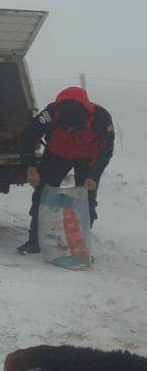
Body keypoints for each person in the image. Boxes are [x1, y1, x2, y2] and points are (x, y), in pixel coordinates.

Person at [17, 86, 115, 254]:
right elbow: (28, 136)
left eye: (74, 128)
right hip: (57, 155)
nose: (69, 130)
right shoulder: (50, 114)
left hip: (87, 158)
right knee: (42, 194)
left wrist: (94, 175)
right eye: (65, 127)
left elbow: (106, 151)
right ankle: (35, 242)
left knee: (87, 199)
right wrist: (30, 166)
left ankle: (80, 245)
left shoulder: (101, 118)